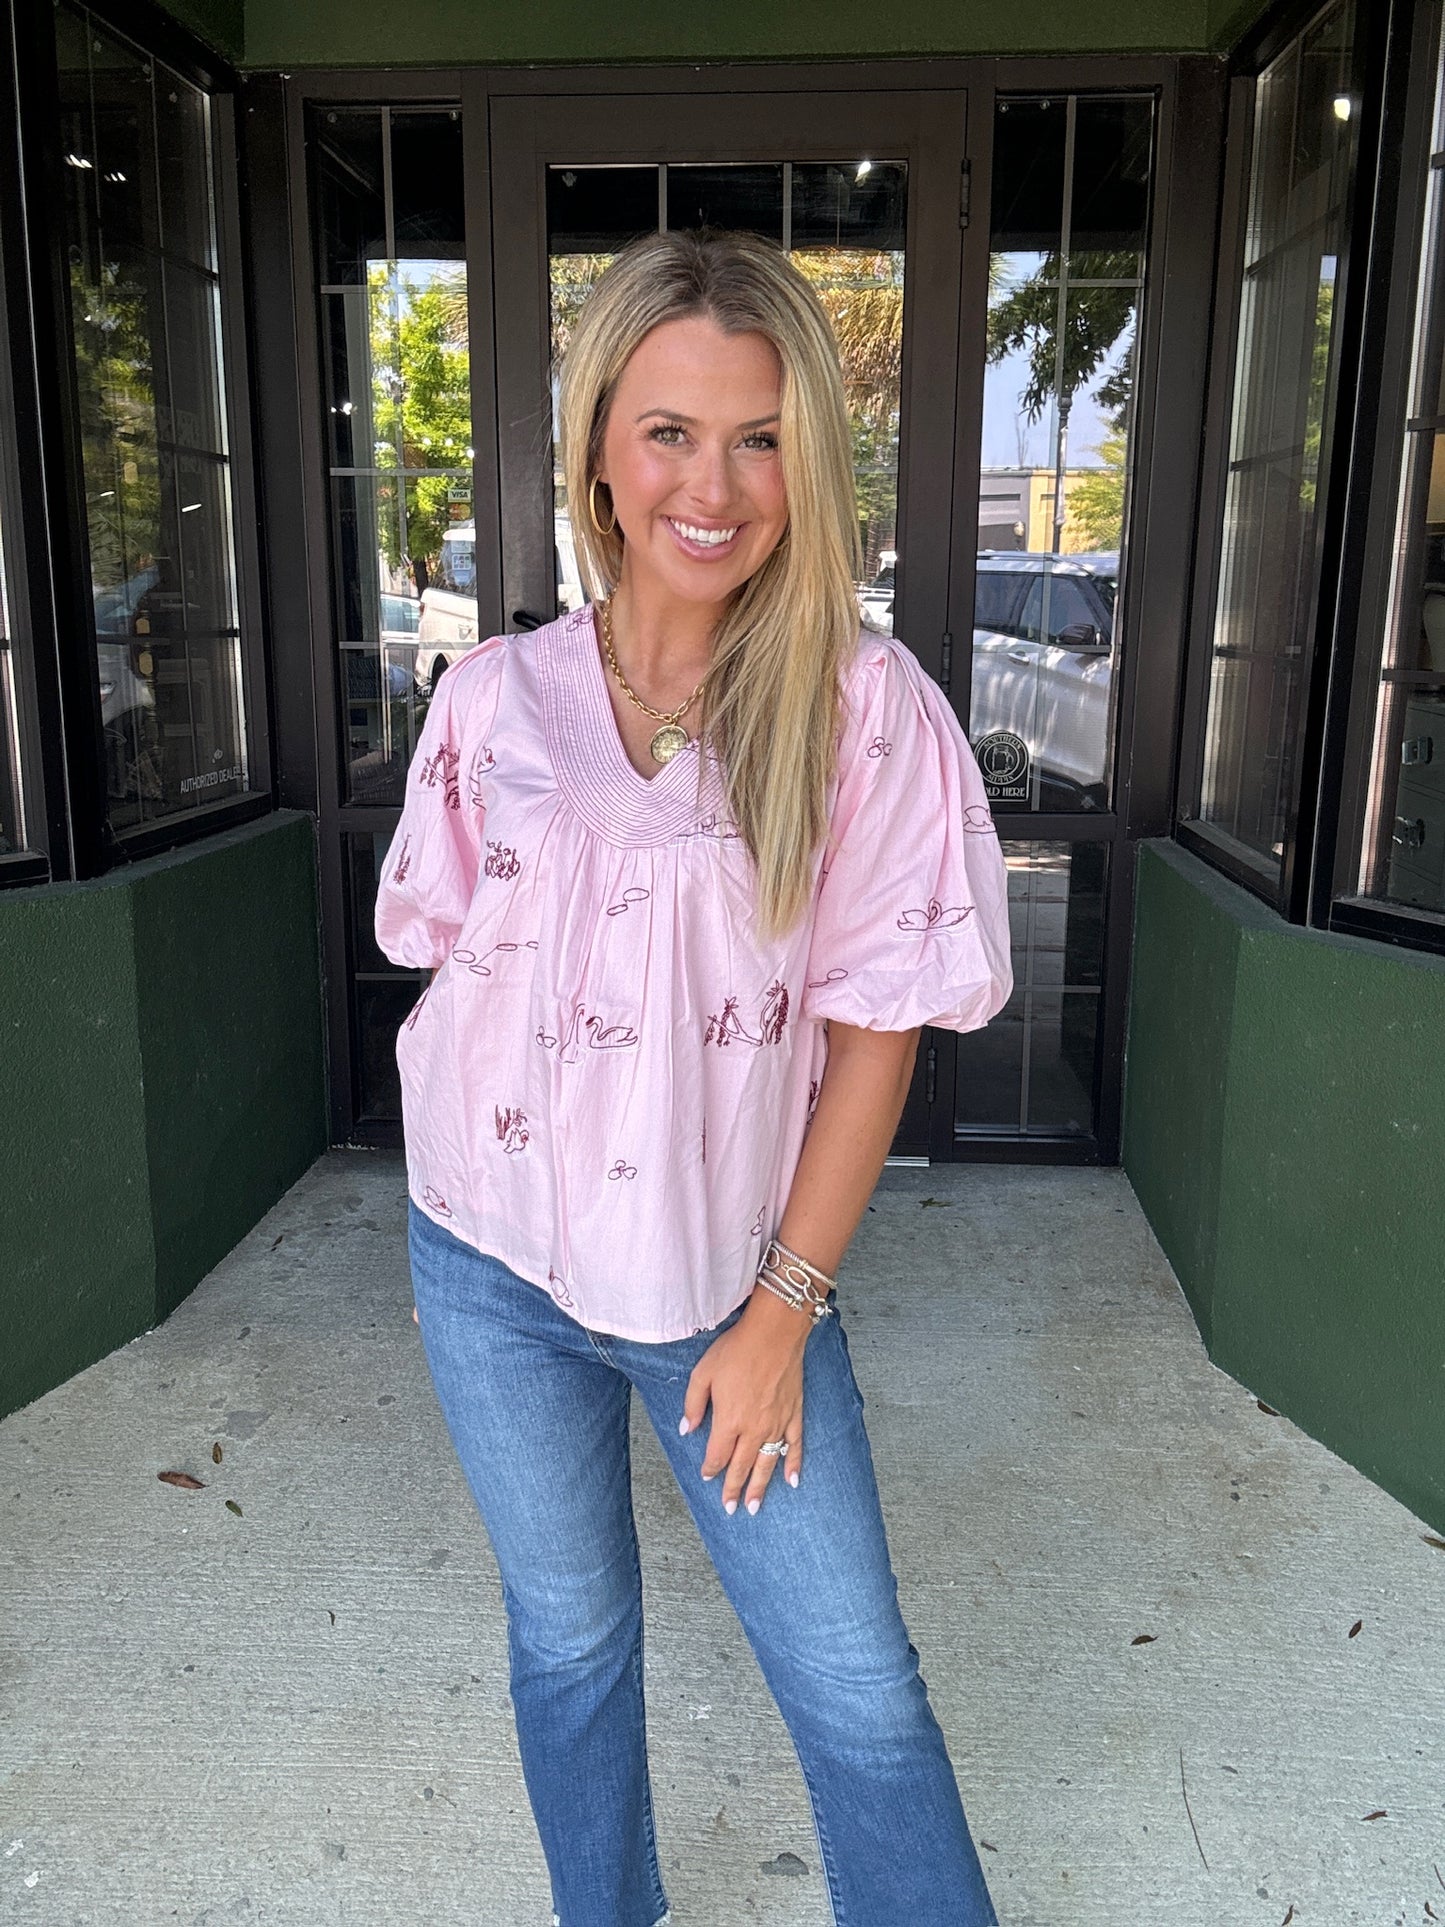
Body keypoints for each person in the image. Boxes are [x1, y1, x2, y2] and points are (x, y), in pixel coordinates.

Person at [375, 225, 1012, 1927]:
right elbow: (440, 947)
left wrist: (785, 1313)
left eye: (758, 436)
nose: (711, 484)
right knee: (568, 1641)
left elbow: (877, 1033)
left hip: (727, 1297)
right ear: (595, 446)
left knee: (858, 1693)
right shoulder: (490, 700)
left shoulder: (866, 711)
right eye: (668, 431)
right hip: (483, 1269)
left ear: (806, 455)